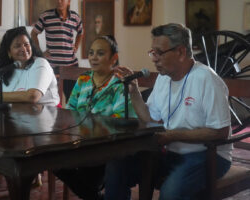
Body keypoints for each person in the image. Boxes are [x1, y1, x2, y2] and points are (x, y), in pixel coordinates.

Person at [104, 23, 232, 200]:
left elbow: (220, 132)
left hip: (208, 155)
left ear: (180, 52)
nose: (154, 59)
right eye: (152, 53)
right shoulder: (164, 78)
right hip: (171, 152)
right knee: (117, 166)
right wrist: (134, 92)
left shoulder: (206, 79)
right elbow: (151, 119)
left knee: (171, 193)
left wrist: (172, 136)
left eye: (159, 53)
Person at [0, 26, 60, 200]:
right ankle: (31, 174)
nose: (24, 49)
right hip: (16, 120)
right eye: (17, 46)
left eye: (27, 44)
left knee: (8, 144)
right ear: (9, 52)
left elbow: (33, 96)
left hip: (46, 123)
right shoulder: (7, 68)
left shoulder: (40, 64)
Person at [54, 35, 137, 200]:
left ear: (113, 58)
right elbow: (70, 112)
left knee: (88, 179)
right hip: (79, 144)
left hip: (106, 148)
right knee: (51, 161)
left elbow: (120, 120)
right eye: (91, 53)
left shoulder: (120, 84)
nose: (93, 57)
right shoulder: (83, 79)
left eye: (100, 53)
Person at [31, 0, 83, 101]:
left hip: (70, 67)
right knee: (51, 100)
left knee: (73, 100)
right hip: (52, 67)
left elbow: (81, 32)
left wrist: (76, 46)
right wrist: (40, 52)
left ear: (68, 2)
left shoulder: (75, 17)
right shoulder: (46, 16)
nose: (59, 1)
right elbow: (33, 34)